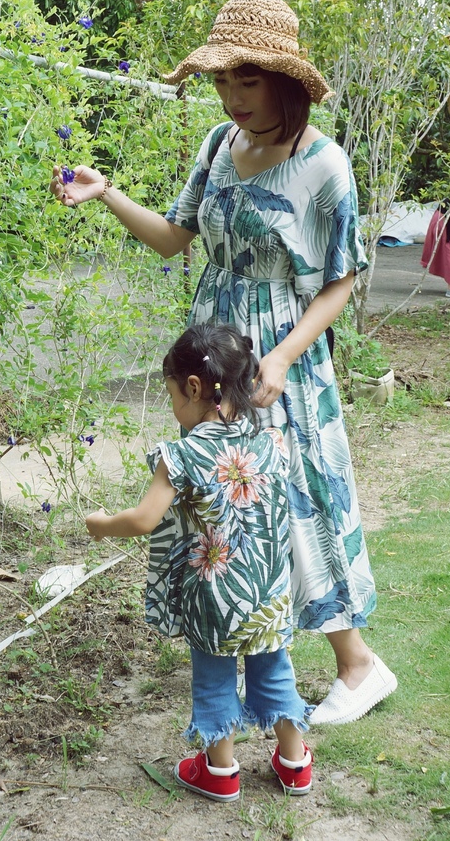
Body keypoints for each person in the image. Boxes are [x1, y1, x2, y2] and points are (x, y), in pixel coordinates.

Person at [51, 0, 397, 726]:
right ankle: (247, 656)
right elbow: (177, 237)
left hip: (278, 355)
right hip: (213, 349)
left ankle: (357, 664)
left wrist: (281, 359)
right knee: (223, 502)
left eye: (247, 81)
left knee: (297, 496)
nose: (232, 98)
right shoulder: (218, 145)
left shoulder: (324, 164)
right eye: (221, 82)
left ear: (285, 82)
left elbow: (342, 278)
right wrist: (107, 194)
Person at [86, 324, 313, 801]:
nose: (174, 409)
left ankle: (220, 771)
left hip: (212, 595)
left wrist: (103, 523)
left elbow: (146, 519)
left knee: (213, 678)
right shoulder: (272, 442)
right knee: (274, 671)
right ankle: (295, 766)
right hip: (268, 593)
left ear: (194, 387)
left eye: (173, 396)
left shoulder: (183, 453)